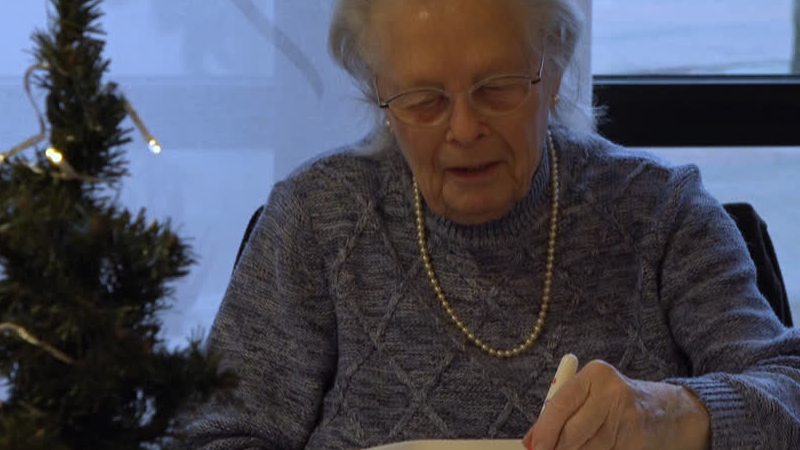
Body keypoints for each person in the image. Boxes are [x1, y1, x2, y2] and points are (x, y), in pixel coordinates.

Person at [184, 0, 800, 449]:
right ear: (379, 93)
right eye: (423, 99)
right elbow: (213, 435)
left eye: (497, 87)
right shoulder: (317, 218)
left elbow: (789, 396)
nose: (463, 129)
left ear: (553, 70)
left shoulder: (659, 210)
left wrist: (672, 413)